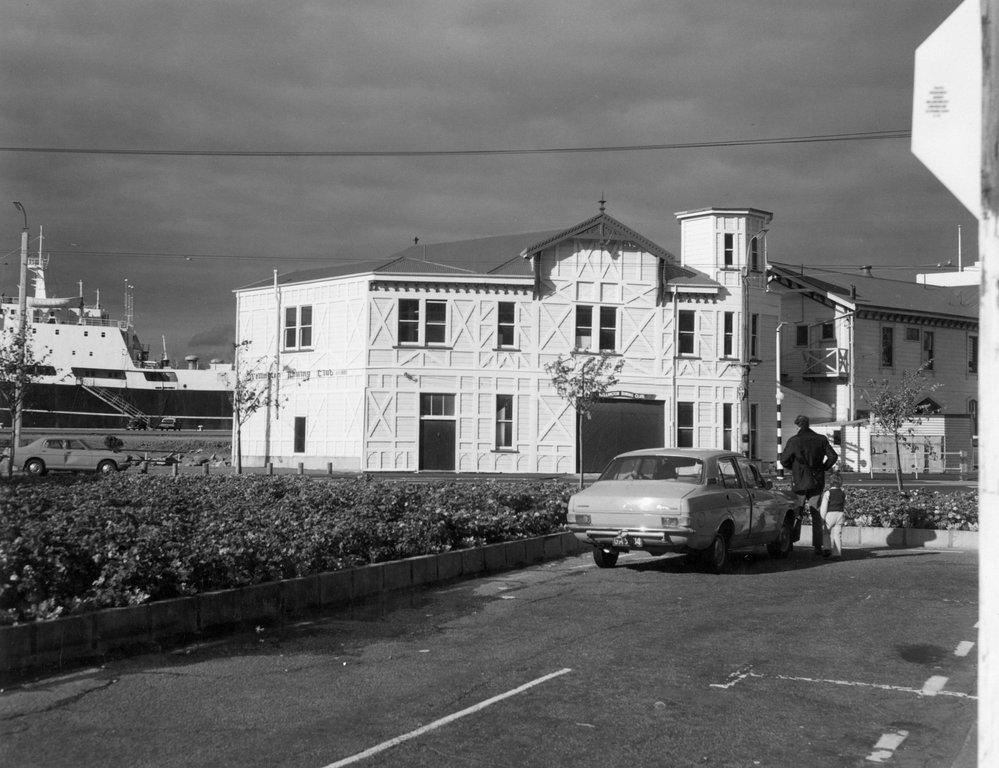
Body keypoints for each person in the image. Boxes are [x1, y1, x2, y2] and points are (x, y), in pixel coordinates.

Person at [779, 414, 839, 555]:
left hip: (799, 480)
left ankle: (791, 541)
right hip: (817, 479)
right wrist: (823, 467)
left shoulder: (794, 441)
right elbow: (833, 456)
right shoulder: (821, 439)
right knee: (817, 512)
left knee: (797, 511)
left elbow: (783, 460)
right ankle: (818, 545)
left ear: (797, 426)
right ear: (808, 424)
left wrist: (793, 467)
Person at [818, 472, 847, 559]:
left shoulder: (828, 493)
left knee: (826, 532)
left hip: (830, 514)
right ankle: (837, 553)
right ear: (840, 482)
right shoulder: (843, 493)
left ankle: (826, 548)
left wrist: (822, 518)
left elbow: (824, 507)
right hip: (840, 514)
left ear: (830, 482)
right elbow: (844, 504)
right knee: (838, 534)